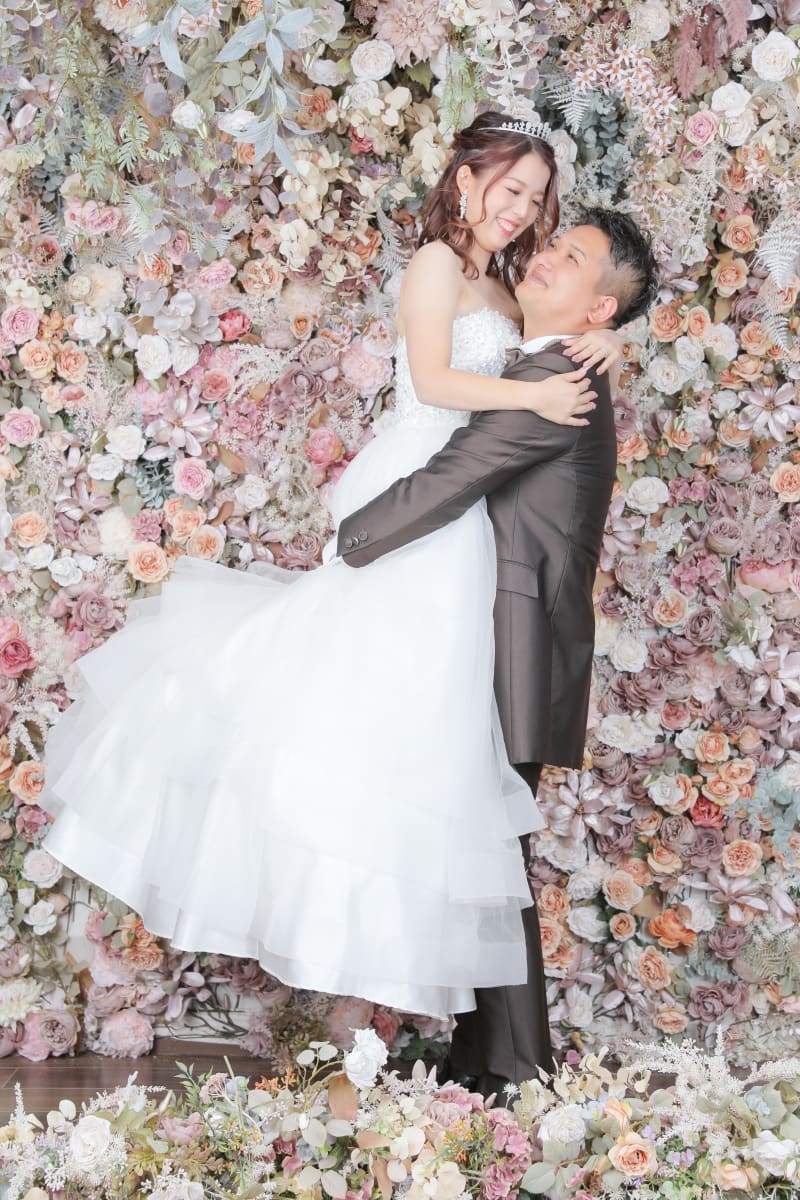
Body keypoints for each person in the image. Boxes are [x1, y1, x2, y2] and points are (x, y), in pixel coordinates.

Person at [39, 113, 622, 1022]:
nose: (520, 210)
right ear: (465, 180)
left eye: (536, 198)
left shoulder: (507, 285)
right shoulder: (436, 264)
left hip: (465, 518)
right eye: (509, 188)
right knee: (345, 712)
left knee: (420, 729)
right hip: (418, 487)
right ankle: (329, 979)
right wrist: (536, 394)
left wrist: (610, 342)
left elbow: (550, 343)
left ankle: (367, 988)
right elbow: (434, 381)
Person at [337, 207, 659, 1094]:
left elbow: (450, 481)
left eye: (572, 257)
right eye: (554, 243)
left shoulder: (557, 381)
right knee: (485, 853)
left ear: (599, 308)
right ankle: (485, 1065)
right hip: (512, 642)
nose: (545, 256)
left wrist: (347, 546)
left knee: (492, 859)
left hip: (517, 650)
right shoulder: (548, 363)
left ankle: (518, 1070)